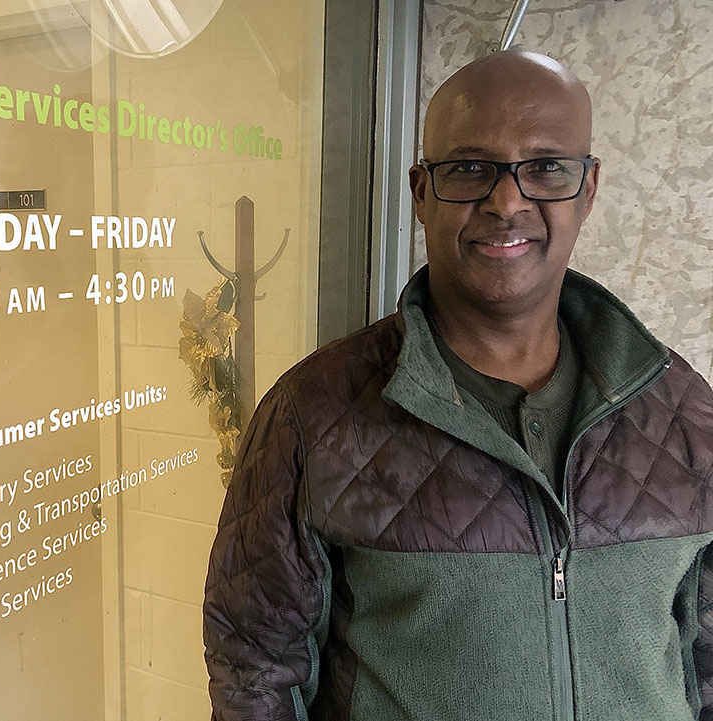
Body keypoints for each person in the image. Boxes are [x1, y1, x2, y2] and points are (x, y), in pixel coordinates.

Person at [202, 48, 713, 721]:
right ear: (421, 191)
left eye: (546, 168)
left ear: (587, 189)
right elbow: (255, 669)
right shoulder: (312, 414)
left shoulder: (682, 408)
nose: (506, 201)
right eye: (470, 168)